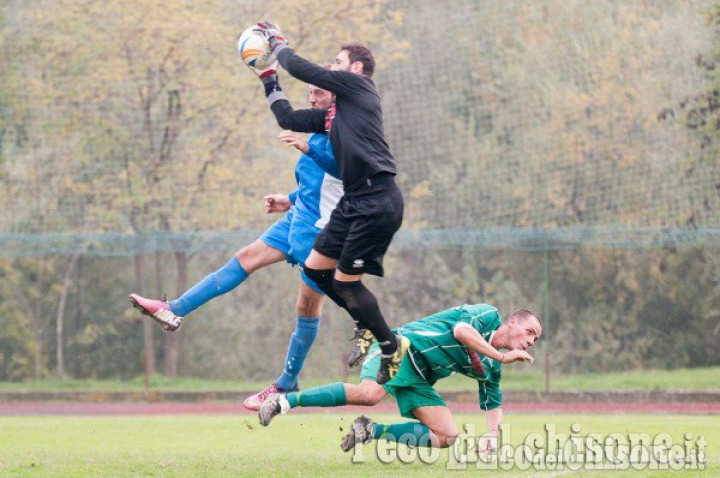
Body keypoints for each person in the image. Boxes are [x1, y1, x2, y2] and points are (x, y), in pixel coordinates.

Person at [128, 83, 343, 410]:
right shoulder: (318, 127)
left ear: (337, 95)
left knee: (307, 308)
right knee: (246, 256)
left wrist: (305, 148)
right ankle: (173, 309)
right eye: (310, 91)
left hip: (320, 229)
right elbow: (317, 184)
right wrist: (289, 199)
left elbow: (344, 176)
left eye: (318, 92)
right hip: (299, 216)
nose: (311, 98)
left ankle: (288, 382)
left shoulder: (346, 130)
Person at [252, 22, 407, 384]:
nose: (332, 66)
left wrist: (278, 44)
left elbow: (306, 70)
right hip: (354, 203)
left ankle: (389, 343)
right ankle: (369, 325)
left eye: (337, 61)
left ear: (355, 69)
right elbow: (289, 117)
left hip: (377, 199)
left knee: (346, 282)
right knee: (316, 271)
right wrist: (269, 79)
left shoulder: (359, 86)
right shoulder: (333, 115)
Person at [258, 304, 541, 452]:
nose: (531, 341)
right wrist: (502, 355)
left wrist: (492, 434)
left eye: (536, 338)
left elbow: (492, 402)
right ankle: (282, 400)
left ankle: (371, 431)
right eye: (530, 332)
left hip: (420, 378)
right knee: (369, 394)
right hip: (400, 348)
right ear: (512, 322)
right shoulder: (488, 315)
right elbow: (461, 332)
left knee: (448, 436)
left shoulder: (492, 366)